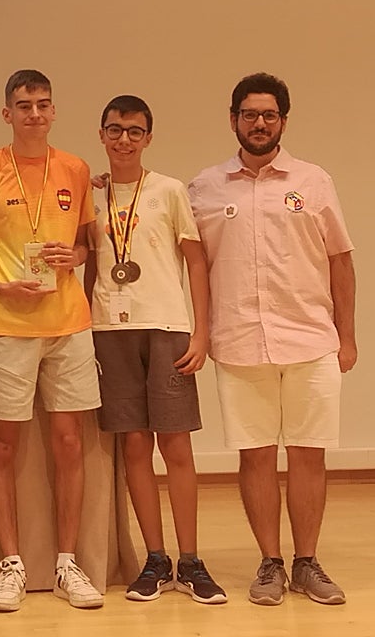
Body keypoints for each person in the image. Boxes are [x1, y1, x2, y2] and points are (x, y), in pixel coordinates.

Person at [187, 73, 357, 607]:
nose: (258, 123)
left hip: (310, 338)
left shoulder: (314, 181)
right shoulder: (204, 188)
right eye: (248, 114)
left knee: (309, 455)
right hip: (237, 342)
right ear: (232, 117)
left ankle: (307, 561)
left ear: (283, 119)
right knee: (255, 456)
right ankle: (270, 562)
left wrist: (346, 337)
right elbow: (189, 266)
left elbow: (340, 261)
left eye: (269, 115)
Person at [0, 69, 104, 612]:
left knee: (68, 445)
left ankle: (67, 563)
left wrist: (74, 257)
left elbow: (86, 246)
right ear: (6, 113)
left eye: (43, 104)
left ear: (54, 110)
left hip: (69, 325)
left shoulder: (76, 168)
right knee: (5, 448)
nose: (34, 113)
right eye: (23, 105)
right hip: (9, 326)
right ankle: (11, 565)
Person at [85, 95, 227, 605]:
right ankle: (155, 558)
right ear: (101, 134)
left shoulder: (168, 191)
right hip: (108, 330)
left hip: (166, 327)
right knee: (135, 448)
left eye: (135, 131)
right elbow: (88, 265)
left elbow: (196, 263)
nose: (124, 139)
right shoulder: (87, 194)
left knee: (177, 447)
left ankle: (191, 561)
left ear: (149, 137)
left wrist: (201, 333)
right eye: (115, 129)